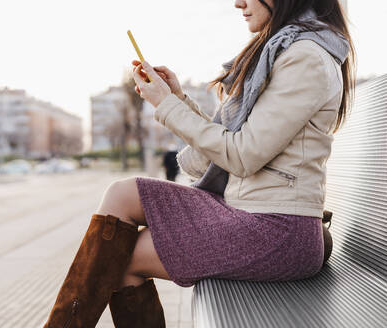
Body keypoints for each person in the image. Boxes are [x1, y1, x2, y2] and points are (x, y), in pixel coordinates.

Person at [42, 0, 356, 327]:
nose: (238, 3)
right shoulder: (285, 49)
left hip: (279, 230)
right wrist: (177, 100)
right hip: (252, 211)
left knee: (118, 260)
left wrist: (166, 106)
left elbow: (242, 154)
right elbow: (235, 144)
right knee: (121, 196)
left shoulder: (305, 58)